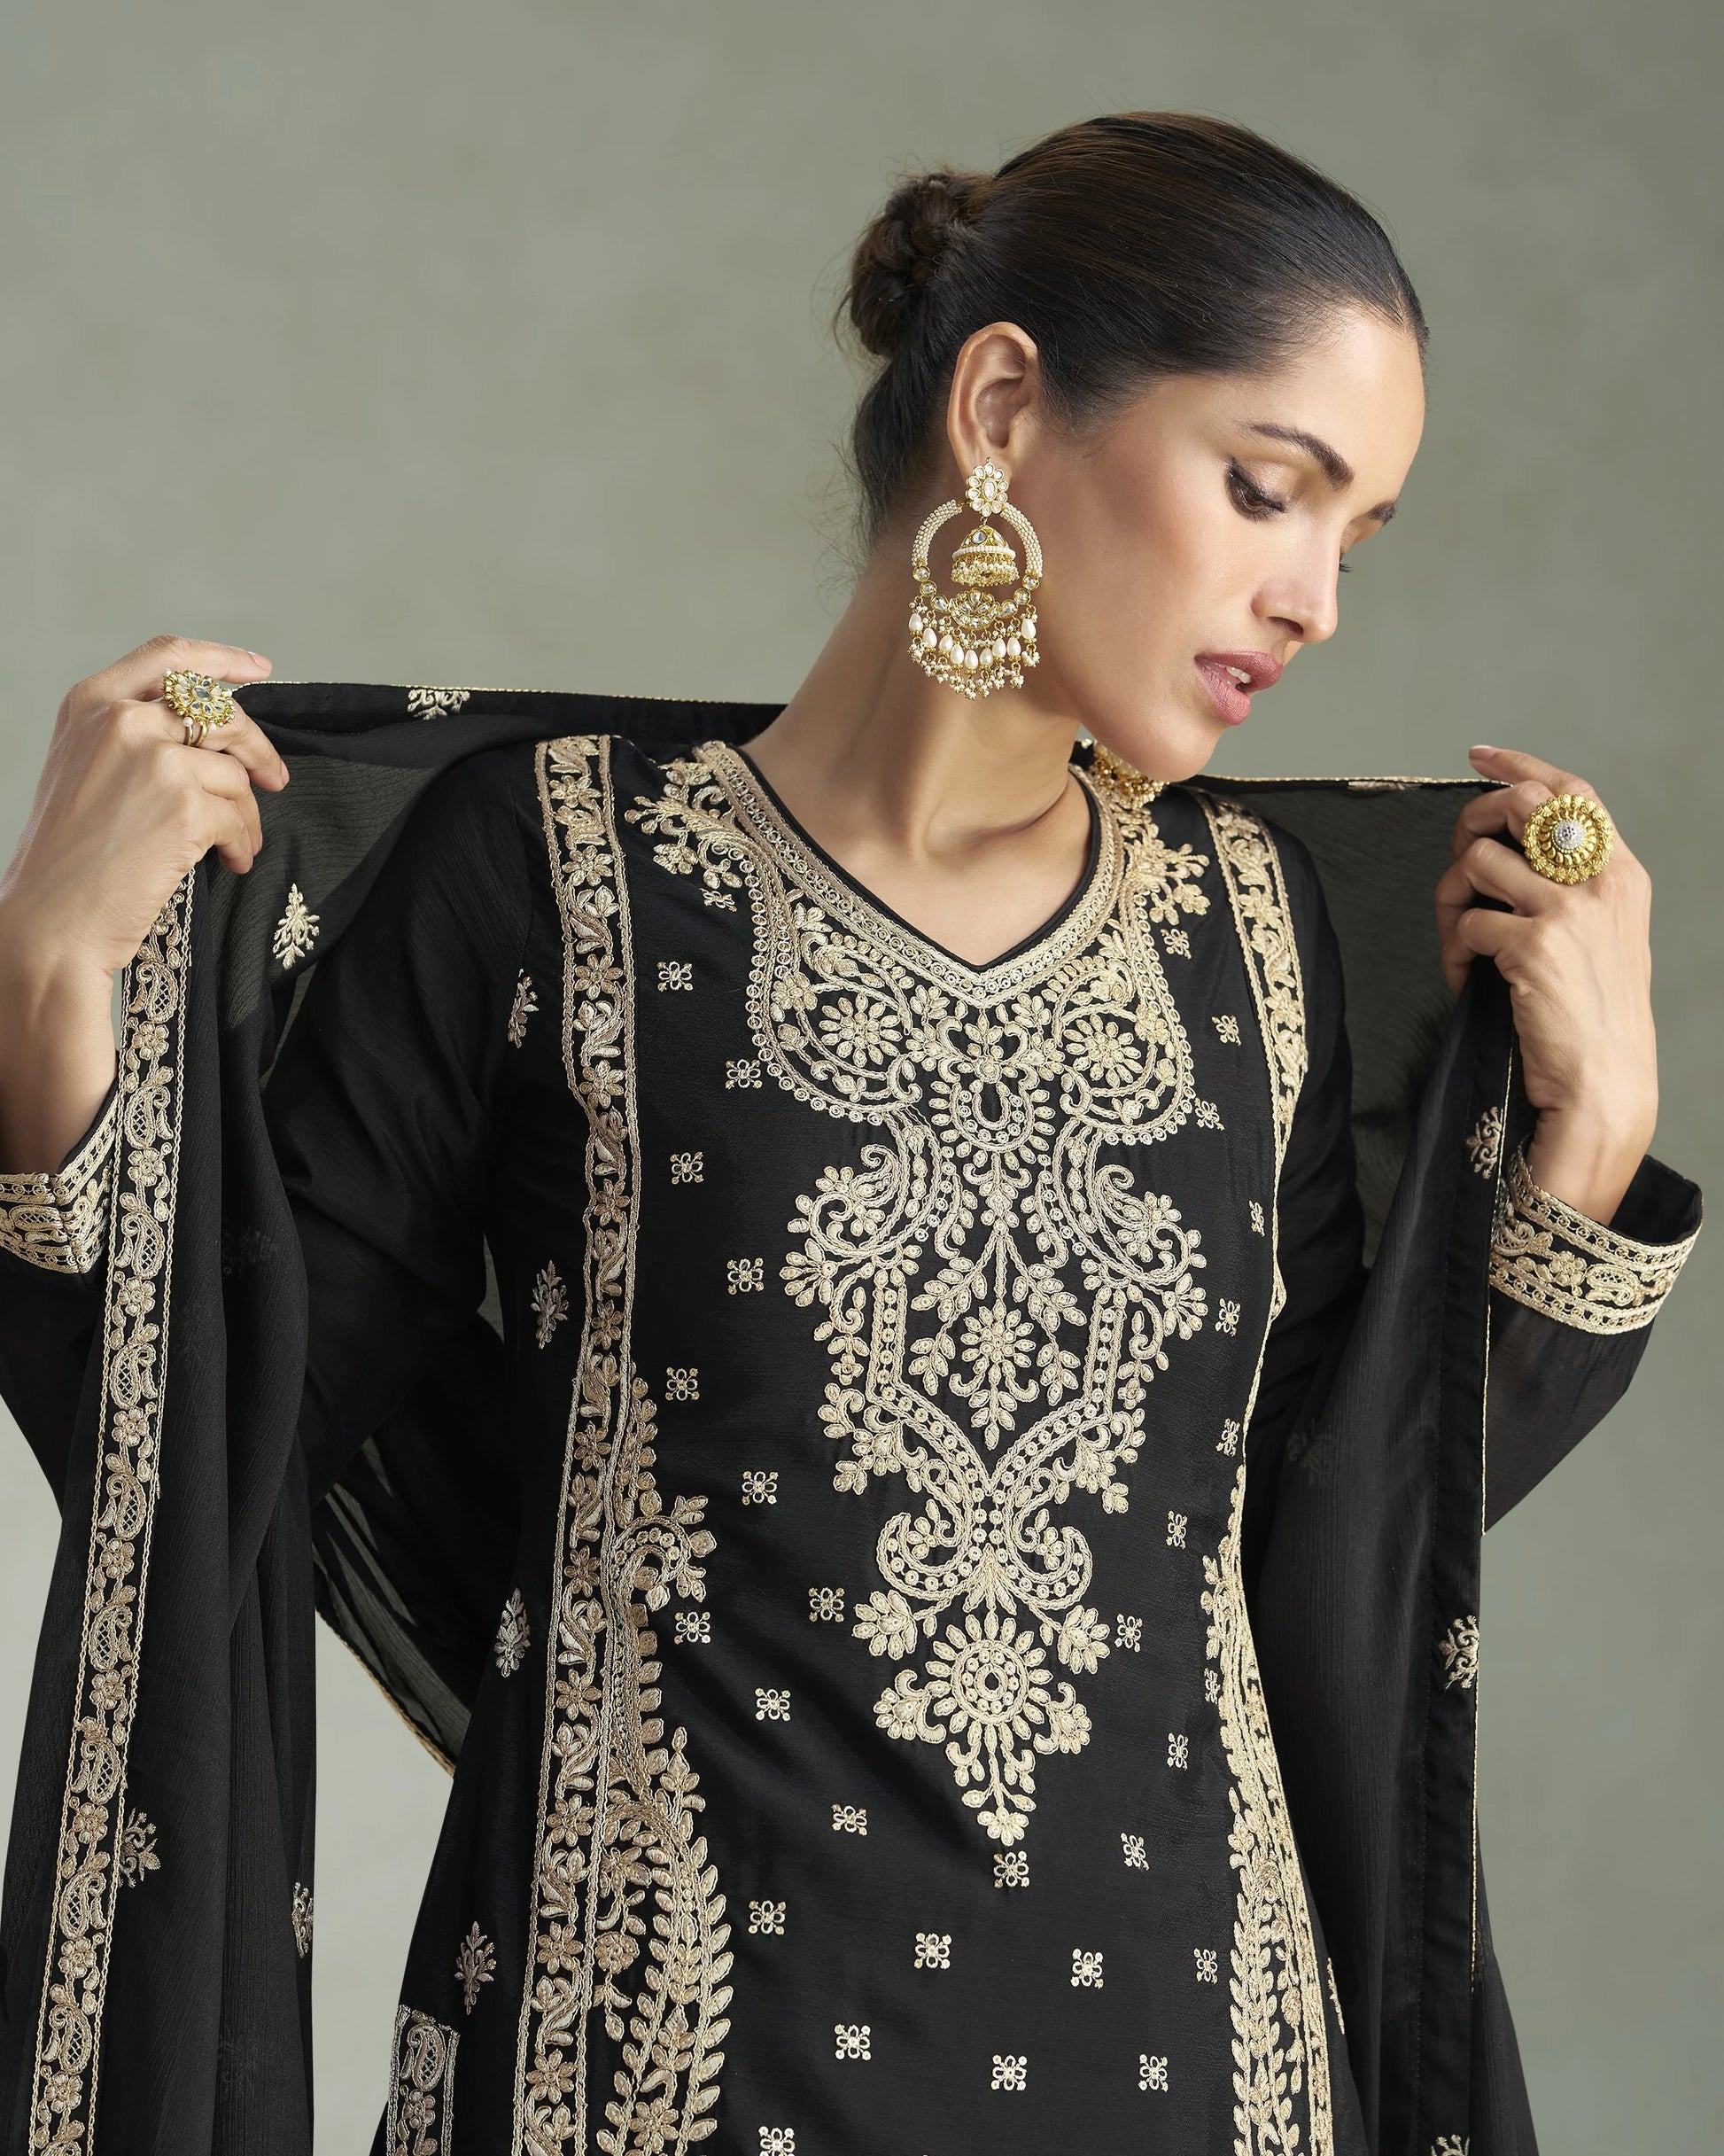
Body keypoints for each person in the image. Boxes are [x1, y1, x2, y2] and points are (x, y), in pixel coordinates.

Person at [0, 112, 1700, 2156]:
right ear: (1002, 407)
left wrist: (1587, 1145)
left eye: (1361, 534)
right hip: (655, 2082)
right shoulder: (546, 885)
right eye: (1270, 489)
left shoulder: (1251, 942)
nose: (1316, 597)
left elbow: (1330, 1537)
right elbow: (206, 1432)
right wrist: (47, 983)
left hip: (1191, 2076)